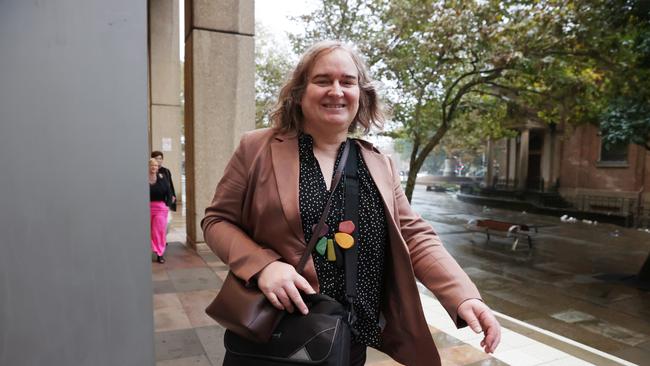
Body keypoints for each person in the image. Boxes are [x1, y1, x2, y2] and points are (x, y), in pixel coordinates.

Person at [201, 40, 501, 365]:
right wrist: (263, 266)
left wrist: (464, 296)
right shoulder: (257, 148)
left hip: (348, 340)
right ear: (300, 93)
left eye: (347, 81)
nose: (336, 90)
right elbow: (217, 221)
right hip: (279, 332)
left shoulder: (378, 163)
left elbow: (415, 236)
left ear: (362, 95)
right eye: (322, 80)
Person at [149, 158, 172, 263]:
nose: (154, 167)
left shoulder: (162, 178)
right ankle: (153, 248)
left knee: (158, 231)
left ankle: (159, 253)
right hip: (147, 209)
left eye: (156, 165)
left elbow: (169, 192)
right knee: (148, 232)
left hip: (160, 209)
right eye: (152, 165)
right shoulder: (143, 178)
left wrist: (168, 205)